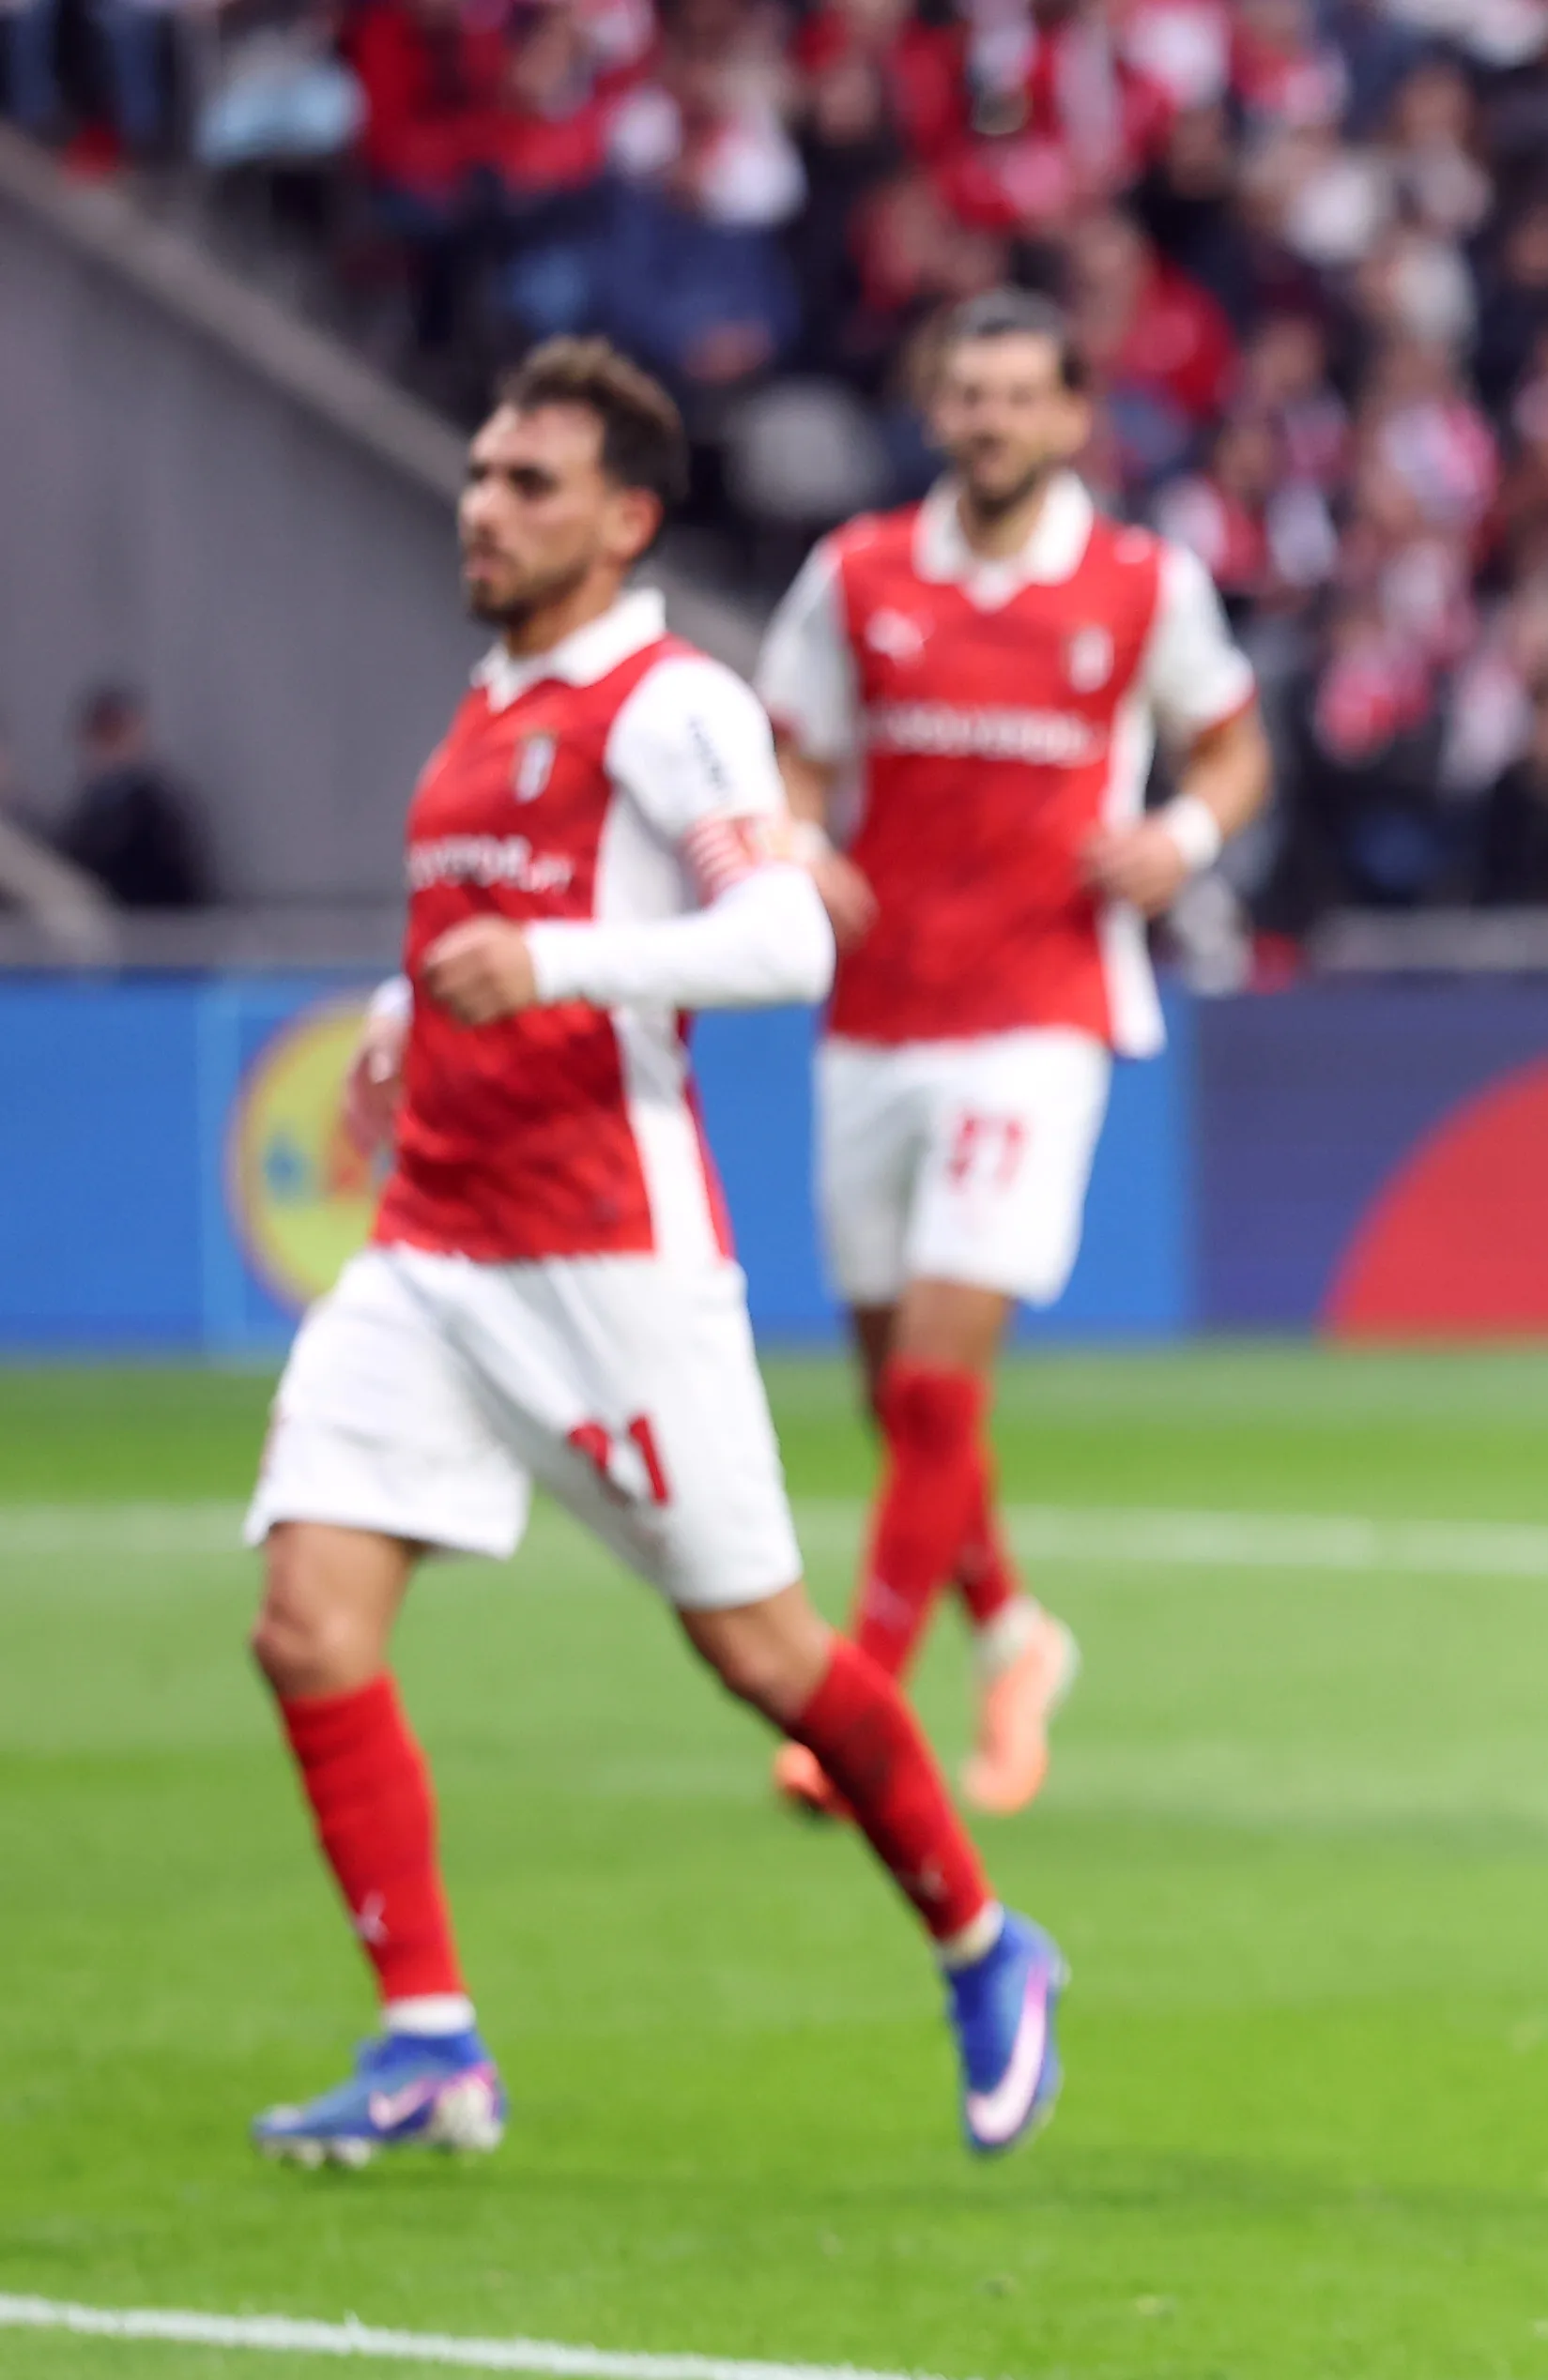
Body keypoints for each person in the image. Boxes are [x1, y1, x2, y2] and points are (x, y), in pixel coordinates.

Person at [238, 338, 1067, 2169]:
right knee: (306, 1624)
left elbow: (782, 939)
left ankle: (985, 1942)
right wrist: (407, 1011)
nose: (483, 507)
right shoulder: (490, 701)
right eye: (481, 473)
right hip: (431, 1245)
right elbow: (493, 921)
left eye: (528, 484)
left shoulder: (669, 701)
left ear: (624, 521)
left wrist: (552, 967)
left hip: (605, 1255)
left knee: (766, 1654)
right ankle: (431, 2043)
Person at [755, 287, 1271, 1822]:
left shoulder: (1139, 583)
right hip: (875, 1009)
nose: (988, 419)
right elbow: (792, 755)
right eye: (965, 394)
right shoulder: (855, 575)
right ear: (935, 410)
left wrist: (1181, 837)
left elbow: (1234, 744)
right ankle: (1014, 1637)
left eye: (1016, 395)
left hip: (1039, 1015)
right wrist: (795, 842)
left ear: (1068, 417)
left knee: (931, 1388)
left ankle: (853, 1707)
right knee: (898, 1394)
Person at [55, 684, 211, 909]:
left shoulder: (158, 810)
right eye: (101, 736)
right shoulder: (90, 809)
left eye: (115, 736)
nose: (107, 749)